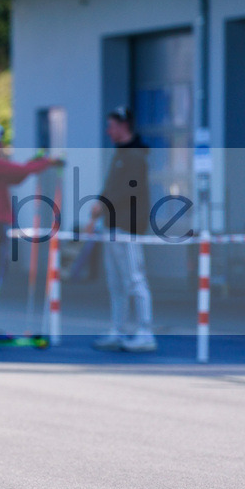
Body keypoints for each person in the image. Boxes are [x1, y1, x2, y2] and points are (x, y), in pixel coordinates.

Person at [0, 122, 60, 335]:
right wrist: (46, 161)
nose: (2, 146)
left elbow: (17, 176)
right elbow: (21, 171)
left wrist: (36, 163)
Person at [86, 106, 156, 352]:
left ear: (123, 125)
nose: (108, 131)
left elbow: (130, 189)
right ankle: (119, 329)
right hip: (113, 225)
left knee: (135, 280)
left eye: (111, 125)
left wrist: (101, 204)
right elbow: (112, 187)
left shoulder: (135, 155)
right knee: (116, 282)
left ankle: (145, 332)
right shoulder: (121, 153)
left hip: (128, 226)